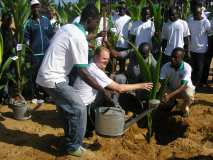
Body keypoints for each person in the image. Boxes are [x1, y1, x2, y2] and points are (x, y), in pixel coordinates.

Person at [36, 4, 112, 157]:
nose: (96, 26)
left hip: (47, 76)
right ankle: (73, 146)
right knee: (79, 107)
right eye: (96, 22)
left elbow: (82, 38)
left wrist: (95, 37)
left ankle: (69, 140)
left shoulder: (68, 28)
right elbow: (83, 72)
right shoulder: (78, 37)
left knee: (66, 109)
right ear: (90, 20)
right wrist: (103, 90)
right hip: (53, 78)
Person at [73, 47, 153, 134]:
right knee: (81, 133)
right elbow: (120, 88)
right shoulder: (95, 70)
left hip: (77, 103)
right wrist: (141, 85)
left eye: (107, 59)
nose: (106, 61)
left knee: (106, 93)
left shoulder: (91, 64)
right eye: (103, 58)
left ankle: (87, 126)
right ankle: (87, 128)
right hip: (81, 108)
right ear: (95, 57)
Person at [24, 0, 54, 98]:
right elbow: (26, 38)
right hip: (35, 54)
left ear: (40, 7)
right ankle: (34, 94)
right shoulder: (29, 22)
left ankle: (45, 93)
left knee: (45, 73)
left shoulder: (46, 20)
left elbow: (51, 34)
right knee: (34, 75)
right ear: (31, 9)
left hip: (46, 53)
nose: (36, 8)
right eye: (34, 7)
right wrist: (29, 51)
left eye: (37, 6)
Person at [160, 47, 195, 117]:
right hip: (171, 88)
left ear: (181, 59)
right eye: (172, 56)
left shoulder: (187, 67)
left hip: (184, 89)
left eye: (176, 57)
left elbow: (183, 87)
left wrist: (169, 96)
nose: (172, 59)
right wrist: (163, 94)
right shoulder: (165, 66)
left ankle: (185, 107)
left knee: (189, 95)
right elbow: (162, 82)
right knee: (165, 101)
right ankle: (172, 103)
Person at [187, 4, 211, 87]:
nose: (196, 15)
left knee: (199, 69)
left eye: (198, 13)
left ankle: (196, 85)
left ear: (201, 13)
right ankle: (192, 84)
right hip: (192, 49)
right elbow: (189, 36)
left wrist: (208, 47)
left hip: (202, 50)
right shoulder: (191, 22)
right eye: (194, 14)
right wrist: (188, 49)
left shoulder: (206, 22)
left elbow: (209, 34)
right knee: (191, 69)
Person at [112, 0, 131, 72]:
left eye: (123, 8)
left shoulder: (129, 19)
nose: (121, 10)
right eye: (120, 8)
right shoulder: (113, 17)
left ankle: (121, 79)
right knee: (113, 65)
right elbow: (112, 29)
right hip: (115, 45)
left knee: (122, 65)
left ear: (126, 9)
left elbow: (130, 32)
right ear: (118, 8)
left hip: (124, 45)